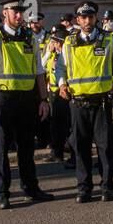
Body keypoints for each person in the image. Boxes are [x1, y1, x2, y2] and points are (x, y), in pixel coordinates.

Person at [0, 0, 54, 209]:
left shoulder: (30, 37)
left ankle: (31, 188)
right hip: (4, 100)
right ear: (5, 13)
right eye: (15, 12)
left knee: (27, 148)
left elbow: (39, 72)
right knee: (1, 148)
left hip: (28, 99)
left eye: (22, 11)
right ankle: (1, 193)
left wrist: (44, 100)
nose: (20, 16)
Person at [58, 2, 113, 203]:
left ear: (96, 18)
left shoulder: (108, 39)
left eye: (90, 17)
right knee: (81, 149)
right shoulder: (69, 42)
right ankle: (84, 189)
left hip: (101, 103)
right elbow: (60, 68)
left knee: (105, 147)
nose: (87, 21)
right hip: (78, 103)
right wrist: (61, 84)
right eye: (83, 18)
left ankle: (107, 187)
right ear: (77, 20)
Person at [44, 25, 74, 168]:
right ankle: (57, 153)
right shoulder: (53, 55)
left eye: (55, 41)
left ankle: (72, 154)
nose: (53, 44)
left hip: (67, 94)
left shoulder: (68, 55)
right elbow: (42, 66)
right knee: (56, 126)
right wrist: (48, 53)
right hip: (55, 94)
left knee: (69, 126)